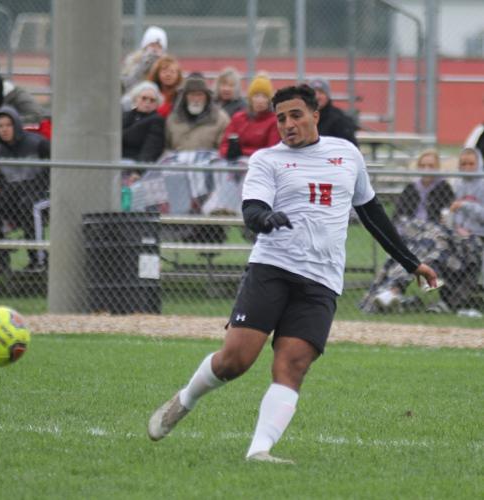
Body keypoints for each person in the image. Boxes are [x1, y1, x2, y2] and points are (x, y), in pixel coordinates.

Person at [147, 84, 437, 463]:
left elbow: (371, 213)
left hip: (322, 280)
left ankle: (259, 451)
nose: (288, 124)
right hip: (273, 268)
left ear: (315, 115)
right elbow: (251, 210)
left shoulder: (346, 154)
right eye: (281, 118)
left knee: (293, 364)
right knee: (235, 361)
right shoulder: (268, 160)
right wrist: (265, 218)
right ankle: (185, 400)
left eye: (296, 115)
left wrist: (411, 262)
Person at [361, 147, 484, 315]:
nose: (467, 168)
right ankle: (388, 292)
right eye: (463, 164)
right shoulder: (452, 186)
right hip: (428, 236)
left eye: (471, 164)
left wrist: (464, 207)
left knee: (424, 244)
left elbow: (449, 217)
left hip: (460, 237)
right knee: (411, 248)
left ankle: (391, 290)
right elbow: (399, 217)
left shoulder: (448, 188)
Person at [0, 106, 50, 273]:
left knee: (30, 205)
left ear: (16, 124)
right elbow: (3, 184)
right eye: (0, 126)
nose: (4, 129)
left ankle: (40, 261)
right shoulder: (0, 153)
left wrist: (31, 187)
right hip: (18, 196)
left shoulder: (38, 143)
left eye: (8, 125)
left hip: (45, 194)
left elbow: (52, 173)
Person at [219, 73, 281, 161]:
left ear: (269, 100)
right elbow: (224, 144)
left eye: (264, 96)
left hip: (260, 164)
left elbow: (270, 152)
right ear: (250, 98)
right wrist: (228, 152)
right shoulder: (238, 118)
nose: (260, 100)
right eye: (256, 96)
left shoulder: (273, 121)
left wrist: (242, 152)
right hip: (233, 161)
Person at [165, 72, 230, 151]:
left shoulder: (220, 119)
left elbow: (224, 150)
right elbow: (166, 149)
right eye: (192, 94)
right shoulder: (173, 119)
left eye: (200, 94)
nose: (196, 99)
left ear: (207, 97)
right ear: (185, 97)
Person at [0, 71, 44, 144]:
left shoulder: (17, 95)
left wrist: (11, 122)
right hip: (4, 143)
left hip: (30, 136)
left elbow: (37, 115)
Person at [393, 149, 454, 225]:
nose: (426, 169)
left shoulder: (444, 188)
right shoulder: (411, 187)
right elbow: (399, 213)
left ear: (437, 168)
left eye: (431, 166)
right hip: (411, 227)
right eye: (422, 166)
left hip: (434, 228)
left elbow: (448, 212)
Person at [122, 81, 165, 166]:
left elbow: (151, 148)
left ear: (157, 104)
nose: (148, 102)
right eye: (144, 98)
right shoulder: (126, 115)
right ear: (136, 99)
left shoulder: (157, 120)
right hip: (116, 160)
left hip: (135, 163)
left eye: (152, 100)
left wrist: (138, 170)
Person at [309, 77, 358, 146]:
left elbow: (351, 147)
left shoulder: (339, 119)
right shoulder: (303, 117)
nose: (317, 96)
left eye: (321, 92)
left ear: (327, 95)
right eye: (313, 92)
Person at [121, 26, 168, 95]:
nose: (155, 49)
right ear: (145, 46)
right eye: (152, 45)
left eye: (159, 46)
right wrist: (144, 64)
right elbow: (127, 84)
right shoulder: (133, 61)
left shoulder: (166, 63)